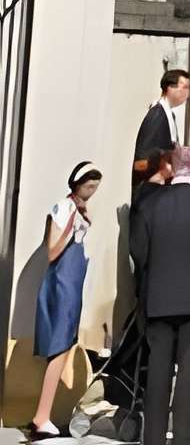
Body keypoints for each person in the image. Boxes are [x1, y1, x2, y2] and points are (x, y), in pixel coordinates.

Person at [129, 144, 190, 445]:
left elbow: (138, 252)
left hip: (159, 296)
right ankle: (183, 434)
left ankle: (153, 436)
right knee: (187, 367)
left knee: (158, 367)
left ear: (171, 167)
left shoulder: (150, 202)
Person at [26, 161, 103, 443]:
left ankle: (44, 414)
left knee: (63, 346)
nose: (92, 192)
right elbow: (52, 250)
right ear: (77, 184)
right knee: (58, 348)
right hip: (62, 283)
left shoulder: (77, 208)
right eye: (89, 186)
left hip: (71, 282)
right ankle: (41, 416)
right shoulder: (64, 208)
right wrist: (72, 224)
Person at [133, 70, 190, 196]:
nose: (187, 92)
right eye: (184, 87)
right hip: (150, 191)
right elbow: (140, 162)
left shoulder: (169, 114)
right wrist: (165, 163)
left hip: (162, 189)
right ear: (169, 88)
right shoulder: (157, 115)